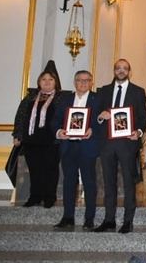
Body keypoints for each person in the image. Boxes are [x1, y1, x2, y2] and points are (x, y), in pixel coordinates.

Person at [94, 59, 146, 234]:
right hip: (107, 144)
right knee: (108, 183)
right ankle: (109, 220)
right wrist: (101, 117)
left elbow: (143, 117)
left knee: (128, 183)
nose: (121, 71)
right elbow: (95, 114)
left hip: (127, 144)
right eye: (118, 68)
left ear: (129, 72)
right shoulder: (103, 91)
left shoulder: (138, 92)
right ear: (114, 70)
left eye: (124, 68)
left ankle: (127, 221)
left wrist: (138, 132)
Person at [52, 71, 100, 230]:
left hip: (87, 146)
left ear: (91, 82)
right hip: (68, 146)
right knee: (68, 182)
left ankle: (89, 218)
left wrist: (93, 129)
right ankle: (68, 217)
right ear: (75, 82)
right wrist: (60, 132)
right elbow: (55, 120)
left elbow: (103, 123)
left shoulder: (97, 99)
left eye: (87, 80)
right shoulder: (65, 99)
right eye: (80, 80)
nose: (83, 83)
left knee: (89, 182)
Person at [12, 70, 62, 208]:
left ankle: (49, 197)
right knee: (34, 170)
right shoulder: (30, 97)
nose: (47, 82)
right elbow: (20, 117)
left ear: (55, 82)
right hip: (31, 140)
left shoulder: (61, 98)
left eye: (50, 79)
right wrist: (17, 135)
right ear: (39, 82)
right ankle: (35, 196)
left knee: (50, 170)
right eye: (43, 79)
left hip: (51, 141)